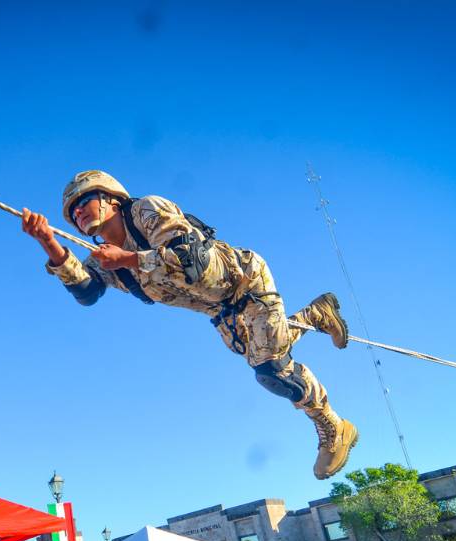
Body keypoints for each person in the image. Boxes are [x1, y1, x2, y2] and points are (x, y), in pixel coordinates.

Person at [21, 171, 357, 480]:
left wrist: (129, 259)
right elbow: (87, 291)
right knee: (264, 348)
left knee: (271, 370)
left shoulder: (146, 211)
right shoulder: (104, 259)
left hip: (245, 281)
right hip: (221, 310)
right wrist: (47, 241)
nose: (77, 212)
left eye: (83, 201)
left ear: (110, 198)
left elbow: (191, 261)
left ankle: (333, 426)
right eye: (72, 211)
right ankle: (316, 314)